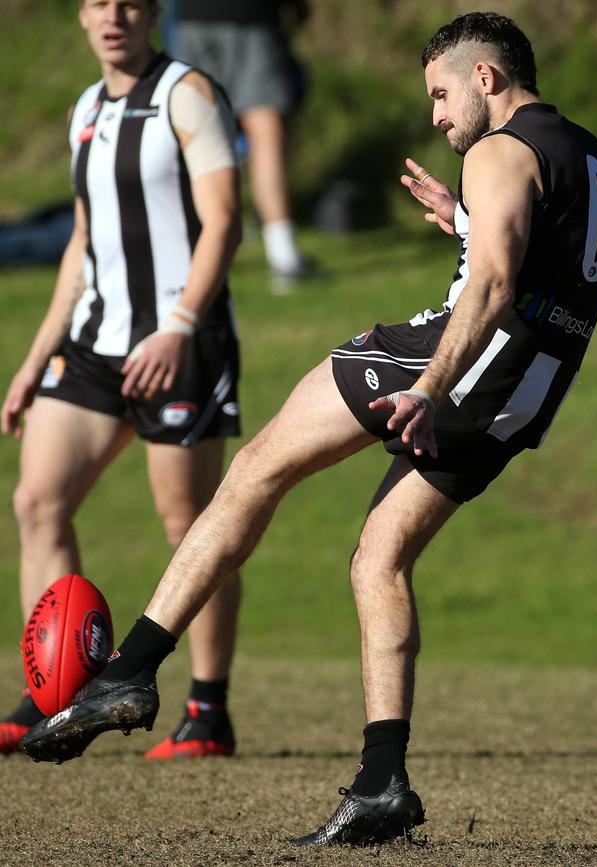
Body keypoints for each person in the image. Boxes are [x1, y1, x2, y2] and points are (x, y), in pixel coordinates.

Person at [22, 11, 597, 847]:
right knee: (378, 558)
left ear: (487, 79)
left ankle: (125, 672)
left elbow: (489, 286)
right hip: (523, 397)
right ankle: (382, 781)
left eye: (443, 95)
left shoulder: (498, 148)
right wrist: (463, 218)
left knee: (257, 467)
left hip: (451, 364)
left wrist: (430, 385)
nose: (439, 117)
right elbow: (540, 262)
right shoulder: (587, 154)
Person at [0, 0, 244, 762]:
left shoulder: (187, 94)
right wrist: (38, 355)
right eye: (100, 2)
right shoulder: (83, 108)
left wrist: (177, 327)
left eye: (131, 2)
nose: (115, 16)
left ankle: (208, 711)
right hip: (96, 347)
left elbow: (226, 219)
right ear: (82, 15)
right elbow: (82, 238)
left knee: (190, 527)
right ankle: (54, 692)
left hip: (182, 343)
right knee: (37, 501)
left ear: (151, 14)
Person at [173, 0, 314, 285]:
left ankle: (190, 253)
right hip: (247, 14)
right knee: (264, 131)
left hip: (190, 16)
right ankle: (282, 254)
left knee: (197, 133)